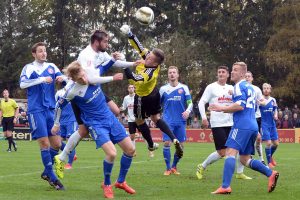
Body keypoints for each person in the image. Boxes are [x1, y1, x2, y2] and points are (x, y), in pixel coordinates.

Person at [54, 29, 136, 173]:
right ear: (97, 41)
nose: (107, 44)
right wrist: (56, 124)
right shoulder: (86, 56)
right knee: (83, 130)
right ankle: (63, 157)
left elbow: (106, 66)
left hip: (94, 89)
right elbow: (90, 79)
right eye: (105, 41)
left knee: (116, 110)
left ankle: (62, 156)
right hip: (82, 95)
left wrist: (132, 63)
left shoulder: (101, 53)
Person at [52, 61, 135, 198]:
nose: (84, 79)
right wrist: (56, 123)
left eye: (83, 74)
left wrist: (118, 63)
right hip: (95, 124)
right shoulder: (72, 91)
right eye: (80, 78)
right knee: (112, 154)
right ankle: (107, 184)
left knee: (131, 150)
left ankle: (120, 181)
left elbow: (106, 63)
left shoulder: (91, 73)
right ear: (73, 79)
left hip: (110, 119)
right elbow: (58, 106)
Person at [209, 62, 279, 194]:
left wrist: (221, 108)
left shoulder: (238, 86)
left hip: (242, 125)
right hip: (252, 125)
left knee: (230, 152)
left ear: (242, 73)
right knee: (244, 159)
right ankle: (270, 173)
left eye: (235, 70)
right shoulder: (250, 87)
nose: (232, 72)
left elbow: (240, 106)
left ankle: (225, 186)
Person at [120, 24, 183, 158]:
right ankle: (174, 139)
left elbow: (132, 78)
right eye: (148, 56)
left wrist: (123, 62)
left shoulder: (149, 73)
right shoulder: (150, 58)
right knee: (156, 118)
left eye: (149, 59)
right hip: (154, 93)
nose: (146, 58)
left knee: (139, 120)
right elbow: (139, 46)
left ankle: (150, 144)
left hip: (143, 97)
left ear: (155, 64)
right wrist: (129, 33)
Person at [19, 42, 64, 190]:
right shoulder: (29, 68)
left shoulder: (51, 66)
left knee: (57, 144)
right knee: (44, 143)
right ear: (34, 54)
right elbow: (22, 84)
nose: (44, 53)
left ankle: (46, 172)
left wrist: (61, 79)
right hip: (36, 110)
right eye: (40, 51)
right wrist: (41, 79)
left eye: (45, 51)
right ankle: (53, 177)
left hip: (50, 109)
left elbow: (62, 77)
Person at [196, 66, 251, 180]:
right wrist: (204, 118)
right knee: (222, 152)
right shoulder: (211, 87)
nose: (220, 74)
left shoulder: (232, 87)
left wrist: (233, 94)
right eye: (219, 72)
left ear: (227, 75)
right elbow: (201, 102)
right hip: (217, 123)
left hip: (232, 123)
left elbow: (240, 103)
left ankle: (240, 173)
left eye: (223, 72)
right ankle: (202, 166)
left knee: (237, 148)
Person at [159, 66, 193, 175]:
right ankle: (168, 168)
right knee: (167, 143)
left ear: (178, 75)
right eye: (170, 73)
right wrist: (156, 116)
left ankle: (174, 166)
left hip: (181, 121)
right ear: (168, 75)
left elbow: (190, 103)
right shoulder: (163, 89)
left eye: (174, 72)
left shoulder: (184, 88)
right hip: (167, 121)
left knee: (181, 146)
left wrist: (188, 111)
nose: (172, 74)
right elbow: (157, 105)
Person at [245, 71, 266, 164]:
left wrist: (261, 102)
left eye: (249, 76)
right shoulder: (241, 88)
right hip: (246, 117)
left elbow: (263, 101)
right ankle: (254, 158)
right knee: (253, 137)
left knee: (258, 138)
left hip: (257, 117)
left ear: (252, 78)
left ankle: (261, 158)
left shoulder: (256, 89)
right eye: (245, 76)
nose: (247, 78)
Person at [55, 88, 78, 169]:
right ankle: (71, 154)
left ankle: (69, 163)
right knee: (58, 143)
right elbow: (57, 107)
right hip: (62, 121)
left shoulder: (74, 92)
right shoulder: (58, 93)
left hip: (72, 120)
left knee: (70, 140)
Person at [260, 83, 279, 169]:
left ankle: (270, 156)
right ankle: (269, 163)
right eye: (264, 88)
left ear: (270, 90)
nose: (266, 90)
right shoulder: (260, 99)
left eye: (268, 88)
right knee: (268, 143)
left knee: (276, 144)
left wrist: (276, 115)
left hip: (272, 124)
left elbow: (275, 109)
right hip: (264, 124)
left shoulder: (273, 100)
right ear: (262, 90)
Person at [120, 84, 141, 156]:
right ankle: (133, 151)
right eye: (129, 88)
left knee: (144, 134)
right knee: (132, 137)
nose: (131, 89)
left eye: (132, 87)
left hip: (138, 119)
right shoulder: (126, 98)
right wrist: (120, 109)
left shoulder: (138, 96)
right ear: (128, 89)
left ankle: (150, 149)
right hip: (130, 120)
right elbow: (124, 107)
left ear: (134, 89)